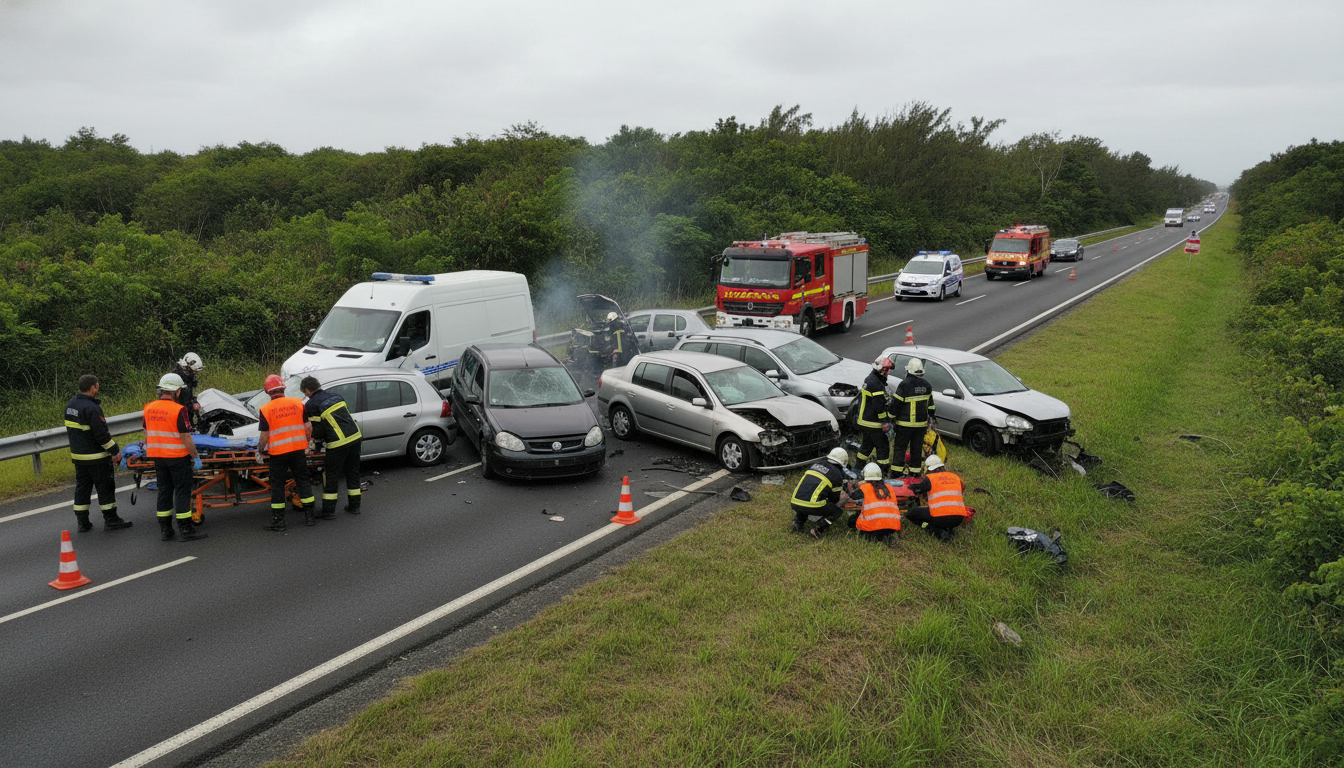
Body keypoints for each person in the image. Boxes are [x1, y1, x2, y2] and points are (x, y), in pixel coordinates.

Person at [64, 374, 133, 532]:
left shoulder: (70, 405)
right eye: (97, 385)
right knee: (105, 488)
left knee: (82, 488)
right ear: (93, 387)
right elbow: (101, 436)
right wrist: (115, 452)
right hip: (96, 458)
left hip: (79, 458)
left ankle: (83, 523)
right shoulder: (92, 409)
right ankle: (111, 520)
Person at [144, 373, 207, 541]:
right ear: (177, 391)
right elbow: (185, 436)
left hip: (158, 457)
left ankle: (165, 529)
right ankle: (185, 529)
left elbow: (146, 433)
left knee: (164, 491)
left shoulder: (148, 408)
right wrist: (196, 456)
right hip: (177, 457)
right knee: (182, 491)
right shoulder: (179, 410)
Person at [256, 374, 314, 531]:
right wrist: (306, 443)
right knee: (303, 481)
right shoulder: (298, 403)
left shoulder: (266, 409)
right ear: (283, 388)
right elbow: (308, 427)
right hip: (298, 451)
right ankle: (310, 517)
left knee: (278, 486)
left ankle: (279, 521)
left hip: (278, 454)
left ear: (268, 392)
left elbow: (264, 436)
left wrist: (259, 451)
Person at [301, 375, 363, 517]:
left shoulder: (311, 405)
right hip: (355, 437)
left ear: (307, 390)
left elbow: (317, 430)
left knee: (331, 476)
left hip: (338, 443)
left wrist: (315, 445)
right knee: (353, 473)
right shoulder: (336, 396)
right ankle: (355, 506)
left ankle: (328, 511)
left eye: (305, 393)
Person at [903, 455, 969, 541]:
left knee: (911, 513)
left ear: (929, 468)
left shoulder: (930, 478)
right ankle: (947, 529)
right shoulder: (955, 477)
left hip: (939, 516)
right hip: (959, 518)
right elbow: (962, 488)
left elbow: (917, 490)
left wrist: (908, 485)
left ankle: (933, 529)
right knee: (943, 518)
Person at [789, 447, 849, 538]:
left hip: (795, 502)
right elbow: (835, 499)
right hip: (812, 505)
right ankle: (818, 529)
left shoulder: (816, 464)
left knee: (806, 501)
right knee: (837, 511)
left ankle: (797, 522)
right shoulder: (837, 475)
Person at [890, 357, 935, 477]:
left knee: (900, 449)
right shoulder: (927, 385)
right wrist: (931, 418)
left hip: (904, 425)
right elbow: (931, 407)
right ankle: (915, 474)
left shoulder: (904, 385)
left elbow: (896, 405)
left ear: (908, 370)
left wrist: (890, 417)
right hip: (920, 426)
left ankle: (896, 474)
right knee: (916, 450)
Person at [854, 357, 894, 476]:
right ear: (879, 369)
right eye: (886, 369)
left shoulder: (872, 379)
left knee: (867, 445)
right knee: (883, 445)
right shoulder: (875, 383)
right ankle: (883, 470)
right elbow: (878, 405)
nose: (887, 372)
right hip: (872, 422)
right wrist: (884, 422)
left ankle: (858, 467)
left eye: (888, 370)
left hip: (865, 420)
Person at [847, 462, 902, 544]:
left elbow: (852, 496)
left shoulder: (864, 488)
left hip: (872, 529)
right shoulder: (890, 488)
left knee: (851, 520)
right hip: (892, 528)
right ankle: (885, 537)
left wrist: (857, 485)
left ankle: (869, 536)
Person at [170, 352, 204, 428]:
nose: (195, 374)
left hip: (186, 414)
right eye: (194, 371)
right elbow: (179, 400)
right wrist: (192, 405)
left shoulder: (188, 378)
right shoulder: (175, 378)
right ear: (188, 367)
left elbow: (188, 397)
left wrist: (194, 402)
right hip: (178, 416)